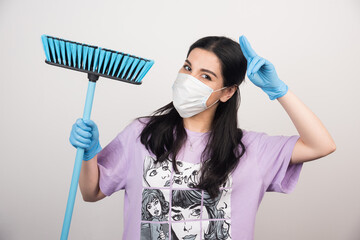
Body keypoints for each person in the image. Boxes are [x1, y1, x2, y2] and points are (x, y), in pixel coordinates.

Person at [69, 35, 336, 240]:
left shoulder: (252, 150)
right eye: (188, 68)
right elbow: (92, 192)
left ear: (227, 92)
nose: (189, 80)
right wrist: (90, 153)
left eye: (205, 76)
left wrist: (279, 91)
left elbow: (322, 144)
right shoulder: (141, 134)